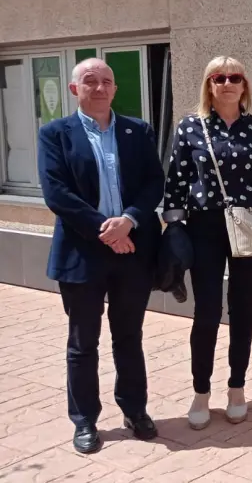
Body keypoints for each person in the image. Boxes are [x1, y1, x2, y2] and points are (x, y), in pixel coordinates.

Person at [38, 58, 164, 453]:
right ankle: (85, 421)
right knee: (83, 342)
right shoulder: (54, 134)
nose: (99, 87)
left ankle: (134, 408)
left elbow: (153, 183)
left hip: (132, 251)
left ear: (114, 89)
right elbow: (57, 194)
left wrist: (128, 220)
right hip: (82, 254)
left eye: (106, 81)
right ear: (75, 89)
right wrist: (107, 231)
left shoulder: (137, 130)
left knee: (129, 337)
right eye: (90, 81)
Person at [162, 56, 252, 430]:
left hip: (247, 225)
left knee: (242, 305)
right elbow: (176, 181)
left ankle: (237, 387)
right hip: (205, 226)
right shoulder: (190, 127)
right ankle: (201, 391)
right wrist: (175, 227)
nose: (227, 83)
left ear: (244, 85)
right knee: (208, 310)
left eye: (234, 77)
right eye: (219, 77)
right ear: (209, 85)